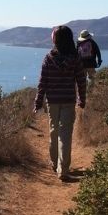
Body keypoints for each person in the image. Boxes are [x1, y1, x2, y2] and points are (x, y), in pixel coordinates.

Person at [34, 25, 86, 182]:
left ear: (55, 39)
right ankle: (62, 169)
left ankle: (54, 163)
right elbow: (81, 81)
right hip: (68, 100)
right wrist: (82, 99)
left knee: (53, 132)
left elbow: (42, 82)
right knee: (65, 135)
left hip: (53, 101)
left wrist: (38, 102)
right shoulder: (75, 58)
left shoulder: (48, 58)